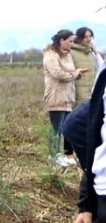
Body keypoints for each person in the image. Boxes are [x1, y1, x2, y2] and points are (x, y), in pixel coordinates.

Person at [44, 29, 81, 168]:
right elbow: (57, 73)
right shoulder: (50, 55)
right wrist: (74, 74)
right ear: (61, 41)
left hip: (67, 96)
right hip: (55, 95)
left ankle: (61, 154)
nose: (72, 44)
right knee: (56, 128)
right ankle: (53, 155)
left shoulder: (67, 55)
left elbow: (70, 71)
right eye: (70, 41)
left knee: (65, 128)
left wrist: (76, 74)